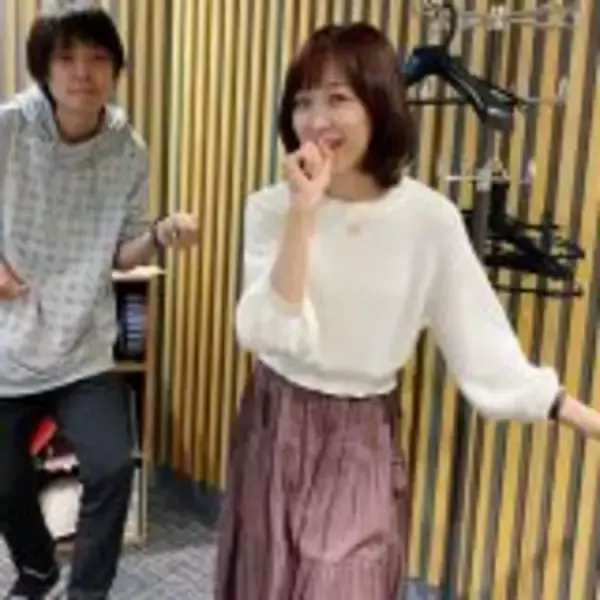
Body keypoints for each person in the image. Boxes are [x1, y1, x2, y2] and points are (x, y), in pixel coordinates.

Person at [215, 23, 600, 600]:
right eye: (303, 101)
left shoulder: (428, 220)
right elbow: (268, 331)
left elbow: (480, 339)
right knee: (264, 579)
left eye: (338, 98)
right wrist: (302, 214)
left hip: (360, 435)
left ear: (378, 105)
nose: (316, 120)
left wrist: (576, 414)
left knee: (344, 584)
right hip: (275, 418)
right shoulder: (270, 209)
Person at [0, 2, 198, 599]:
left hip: (83, 347)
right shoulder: (9, 129)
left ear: (115, 68)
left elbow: (122, 253)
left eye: (97, 58)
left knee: (112, 466)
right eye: (66, 58)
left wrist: (159, 233)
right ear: (44, 67)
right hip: (9, 346)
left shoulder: (128, 150)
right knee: (4, 483)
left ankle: (87, 592)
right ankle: (38, 567)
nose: (82, 72)